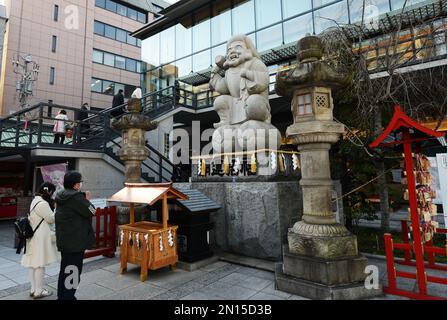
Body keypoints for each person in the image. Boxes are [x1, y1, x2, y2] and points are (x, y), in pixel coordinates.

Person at [55, 171, 96, 300]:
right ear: (76, 185)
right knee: (73, 270)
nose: (81, 184)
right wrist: (88, 200)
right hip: (75, 241)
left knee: (65, 269)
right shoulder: (76, 198)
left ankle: (62, 295)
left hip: (65, 239)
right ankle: (68, 297)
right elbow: (92, 211)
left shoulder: (61, 194)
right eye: (80, 182)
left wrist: (82, 197)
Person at [21, 182, 59, 299]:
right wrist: (56, 209)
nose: (52, 195)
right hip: (39, 237)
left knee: (33, 264)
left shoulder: (35, 200)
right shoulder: (42, 203)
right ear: (49, 191)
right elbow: (51, 219)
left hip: (33, 236)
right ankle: (39, 291)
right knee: (40, 265)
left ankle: (33, 289)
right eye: (52, 192)